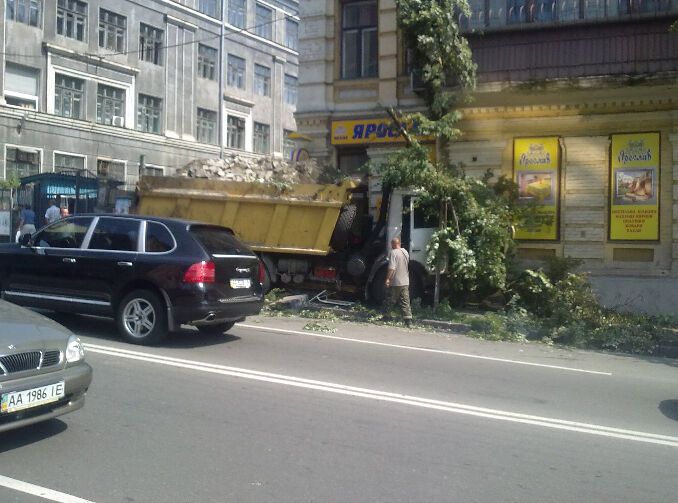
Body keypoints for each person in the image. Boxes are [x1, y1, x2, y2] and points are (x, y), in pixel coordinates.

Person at [385, 236, 413, 327]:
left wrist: (388, 279)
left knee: (391, 299)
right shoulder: (405, 252)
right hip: (405, 281)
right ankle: (408, 321)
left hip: (396, 281)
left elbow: (392, 268)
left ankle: (387, 316)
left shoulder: (393, 253)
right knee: (405, 301)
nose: (391, 246)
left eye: (391, 244)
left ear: (393, 244)